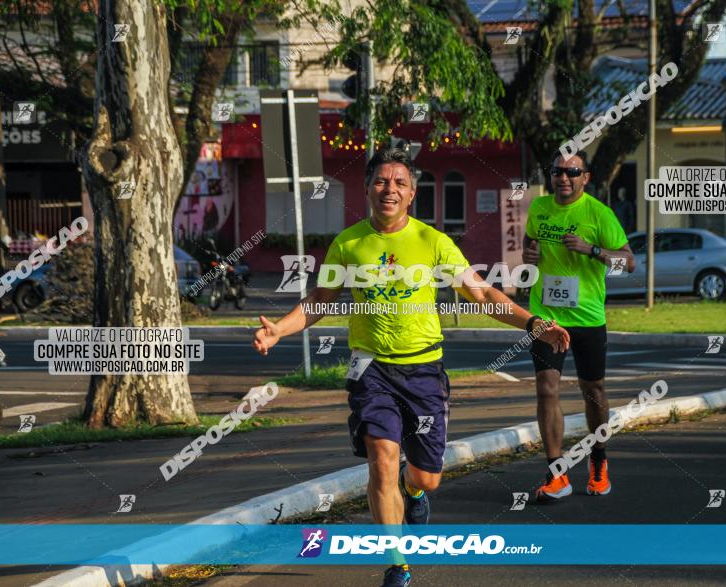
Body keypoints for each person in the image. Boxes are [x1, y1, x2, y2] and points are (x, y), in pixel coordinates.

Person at [253, 148, 569, 587]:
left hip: (423, 372)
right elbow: (319, 302)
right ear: (367, 189)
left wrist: (533, 322)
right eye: (382, 181)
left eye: (400, 183)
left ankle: (415, 490)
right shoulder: (349, 244)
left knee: (426, 477)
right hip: (370, 370)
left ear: (412, 194)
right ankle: (397, 564)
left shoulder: (433, 242)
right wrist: (278, 331)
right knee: (381, 460)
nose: (390, 189)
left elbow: (481, 295)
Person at [521, 150, 635, 502]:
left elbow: (629, 263)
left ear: (586, 177)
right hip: (547, 315)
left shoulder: (599, 214)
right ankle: (557, 473)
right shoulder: (539, 208)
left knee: (594, 392)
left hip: (587, 317)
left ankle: (598, 461)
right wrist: (530, 255)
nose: (564, 178)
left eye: (572, 172)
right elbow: (530, 245)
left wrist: (592, 250)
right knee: (545, 389)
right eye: (557, 171)